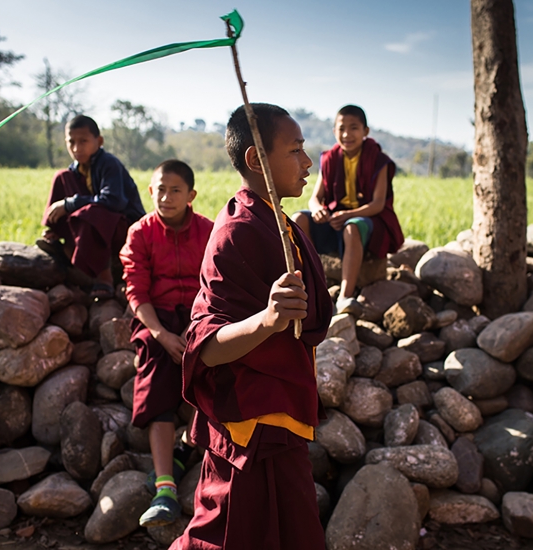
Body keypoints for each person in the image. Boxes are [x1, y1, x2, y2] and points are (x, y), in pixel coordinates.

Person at [170, 104, 333, 550]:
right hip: (249, 425)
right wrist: (267, 319)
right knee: (225, 537)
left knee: (292, 535)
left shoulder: (279, 223)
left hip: (281, 414)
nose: (307, 163)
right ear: (257, 160)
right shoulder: (237, 231)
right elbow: (205, 346)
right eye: (296, 150)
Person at [119, 159, 214, 527]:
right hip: (157, 319)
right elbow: (136, 290)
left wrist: (197, 330)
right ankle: (165, 489)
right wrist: (160, 333)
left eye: (176, 190)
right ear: (149, 191)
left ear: (191, 195)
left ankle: (186, 450)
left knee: (210, 377)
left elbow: (217, 284)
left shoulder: (208, 231)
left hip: (199, 317)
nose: (166, 196)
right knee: (157, 374)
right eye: (160, 189)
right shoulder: (140, 233)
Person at [291, 104, 404, 316]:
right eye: (341, 128)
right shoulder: (330, 159)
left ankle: (344, 296)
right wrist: (318, 210)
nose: (346, 134)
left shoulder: (379, 161)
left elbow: (378, 204)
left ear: (365, 132)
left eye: (354, 128)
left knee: (352, 228)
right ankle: (315, 283)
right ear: (334, 131)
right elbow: (316, 199)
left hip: (366, 221)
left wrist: (349, 215)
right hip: (336, 219)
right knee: (299, 218)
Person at [39, 114, 146, 299]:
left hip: (123, 227)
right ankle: (57, 235)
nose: (76, 148)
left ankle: (104, 277)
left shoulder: (109, 164)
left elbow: (114, 201)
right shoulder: (75, 169)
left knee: (92, 211)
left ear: (99, 141)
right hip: (92, 224)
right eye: (71, 142)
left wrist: (70, 203)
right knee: (61, 177)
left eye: (83, 141)